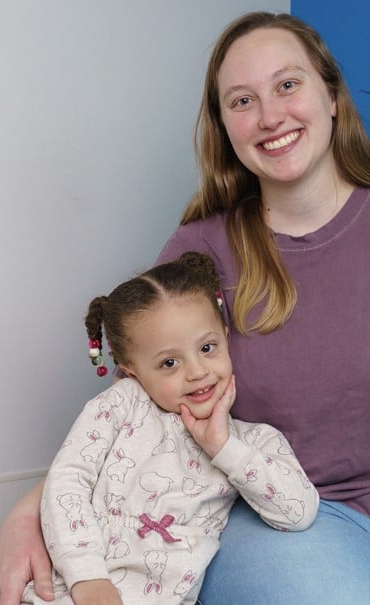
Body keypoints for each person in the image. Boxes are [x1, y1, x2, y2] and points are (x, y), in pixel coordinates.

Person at [0, 11, 370, 605]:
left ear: (332, 95)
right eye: (242, 100)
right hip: (284, 520)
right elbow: (142, 405)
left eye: (287, 85)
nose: (269, 116)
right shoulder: (196, 254)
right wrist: (30, 511)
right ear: (225, 127)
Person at [21, 252, 318, 605]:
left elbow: (297, 513)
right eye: (169, 363)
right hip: (73, 590)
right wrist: (86, 576)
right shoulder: (121, 405)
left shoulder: (253, 441)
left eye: (208, 348)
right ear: (132, 370)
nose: (196, 371)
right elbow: (68, 479)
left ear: (225, 337)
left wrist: (223, 447)